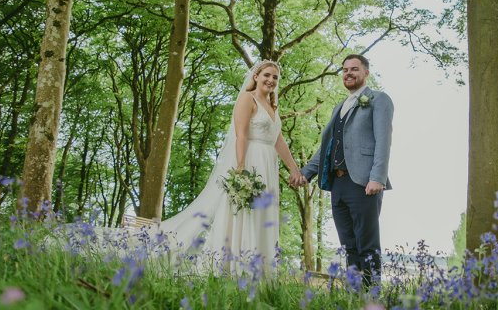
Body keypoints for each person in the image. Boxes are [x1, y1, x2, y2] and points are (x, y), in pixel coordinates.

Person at [157, 60, 301, 276]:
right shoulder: (247, 98)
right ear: (256, 77)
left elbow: (278, 139)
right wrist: (241, 168)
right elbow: (241, 134)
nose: (271, 80)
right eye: (267, 75)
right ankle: (234, 268)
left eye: (275, 78)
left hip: (268, 165)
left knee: (263, 215)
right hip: (250, 162)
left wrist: (293, 168)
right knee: (244, 214)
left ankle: (260, 271)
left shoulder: (272, 106)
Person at [293, 54, 393, 285]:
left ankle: (372, 294)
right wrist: (306, 173)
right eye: (345, 70)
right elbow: (327, 147)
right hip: (337, 184)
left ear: (366, 73)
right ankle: (355, 292)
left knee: (366, 243)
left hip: (364, 182)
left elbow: (383, 141)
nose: (348, 73)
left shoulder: (378, 100)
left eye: (354, 69)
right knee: (349, 244)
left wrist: (377, 177)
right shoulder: (339, 107)